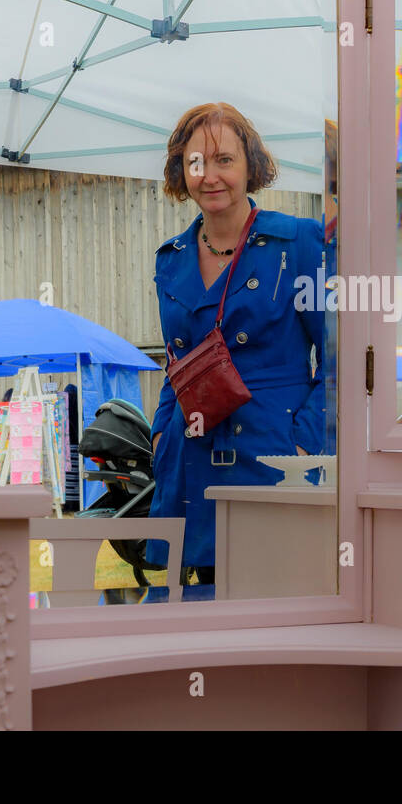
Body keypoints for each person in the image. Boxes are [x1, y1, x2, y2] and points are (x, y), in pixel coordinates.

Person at [147, 103, 326, 585]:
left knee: (276, 608)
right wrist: (162, 433)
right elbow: (176, 362)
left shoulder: (302, 244)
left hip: (274, 458)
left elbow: (341, 362)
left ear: (251, 165)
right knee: (194, 615)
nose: (210, 175)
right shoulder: (171, 259)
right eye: (196, 162)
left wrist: (304, 444)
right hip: (191, 458)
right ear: (181, 172)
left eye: (224, 160)